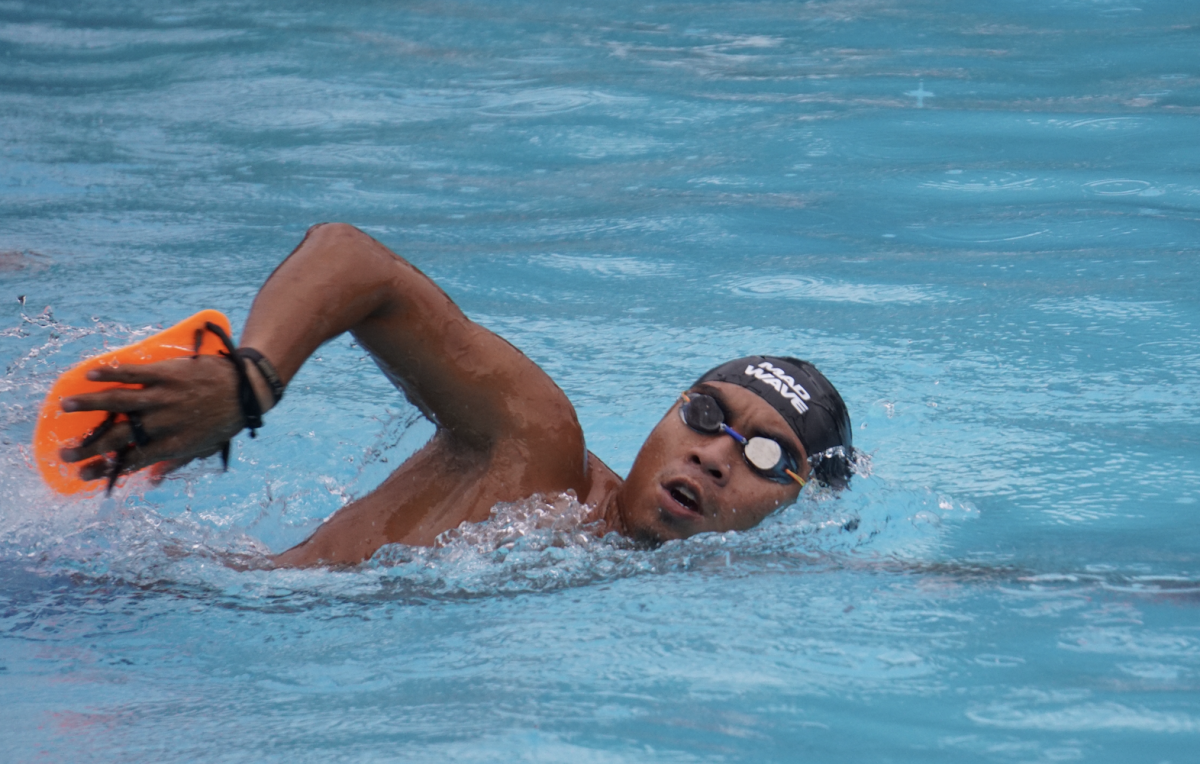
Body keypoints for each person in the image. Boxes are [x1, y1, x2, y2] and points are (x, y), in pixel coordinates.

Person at [58, 224, 853, 567]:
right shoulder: (537, 450)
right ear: (667, 411)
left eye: (764, 455)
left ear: (796, 507)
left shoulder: (719, 582)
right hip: (138, 608)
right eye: (707, 414)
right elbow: (355, 261)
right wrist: (250, 380)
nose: (715, 455)